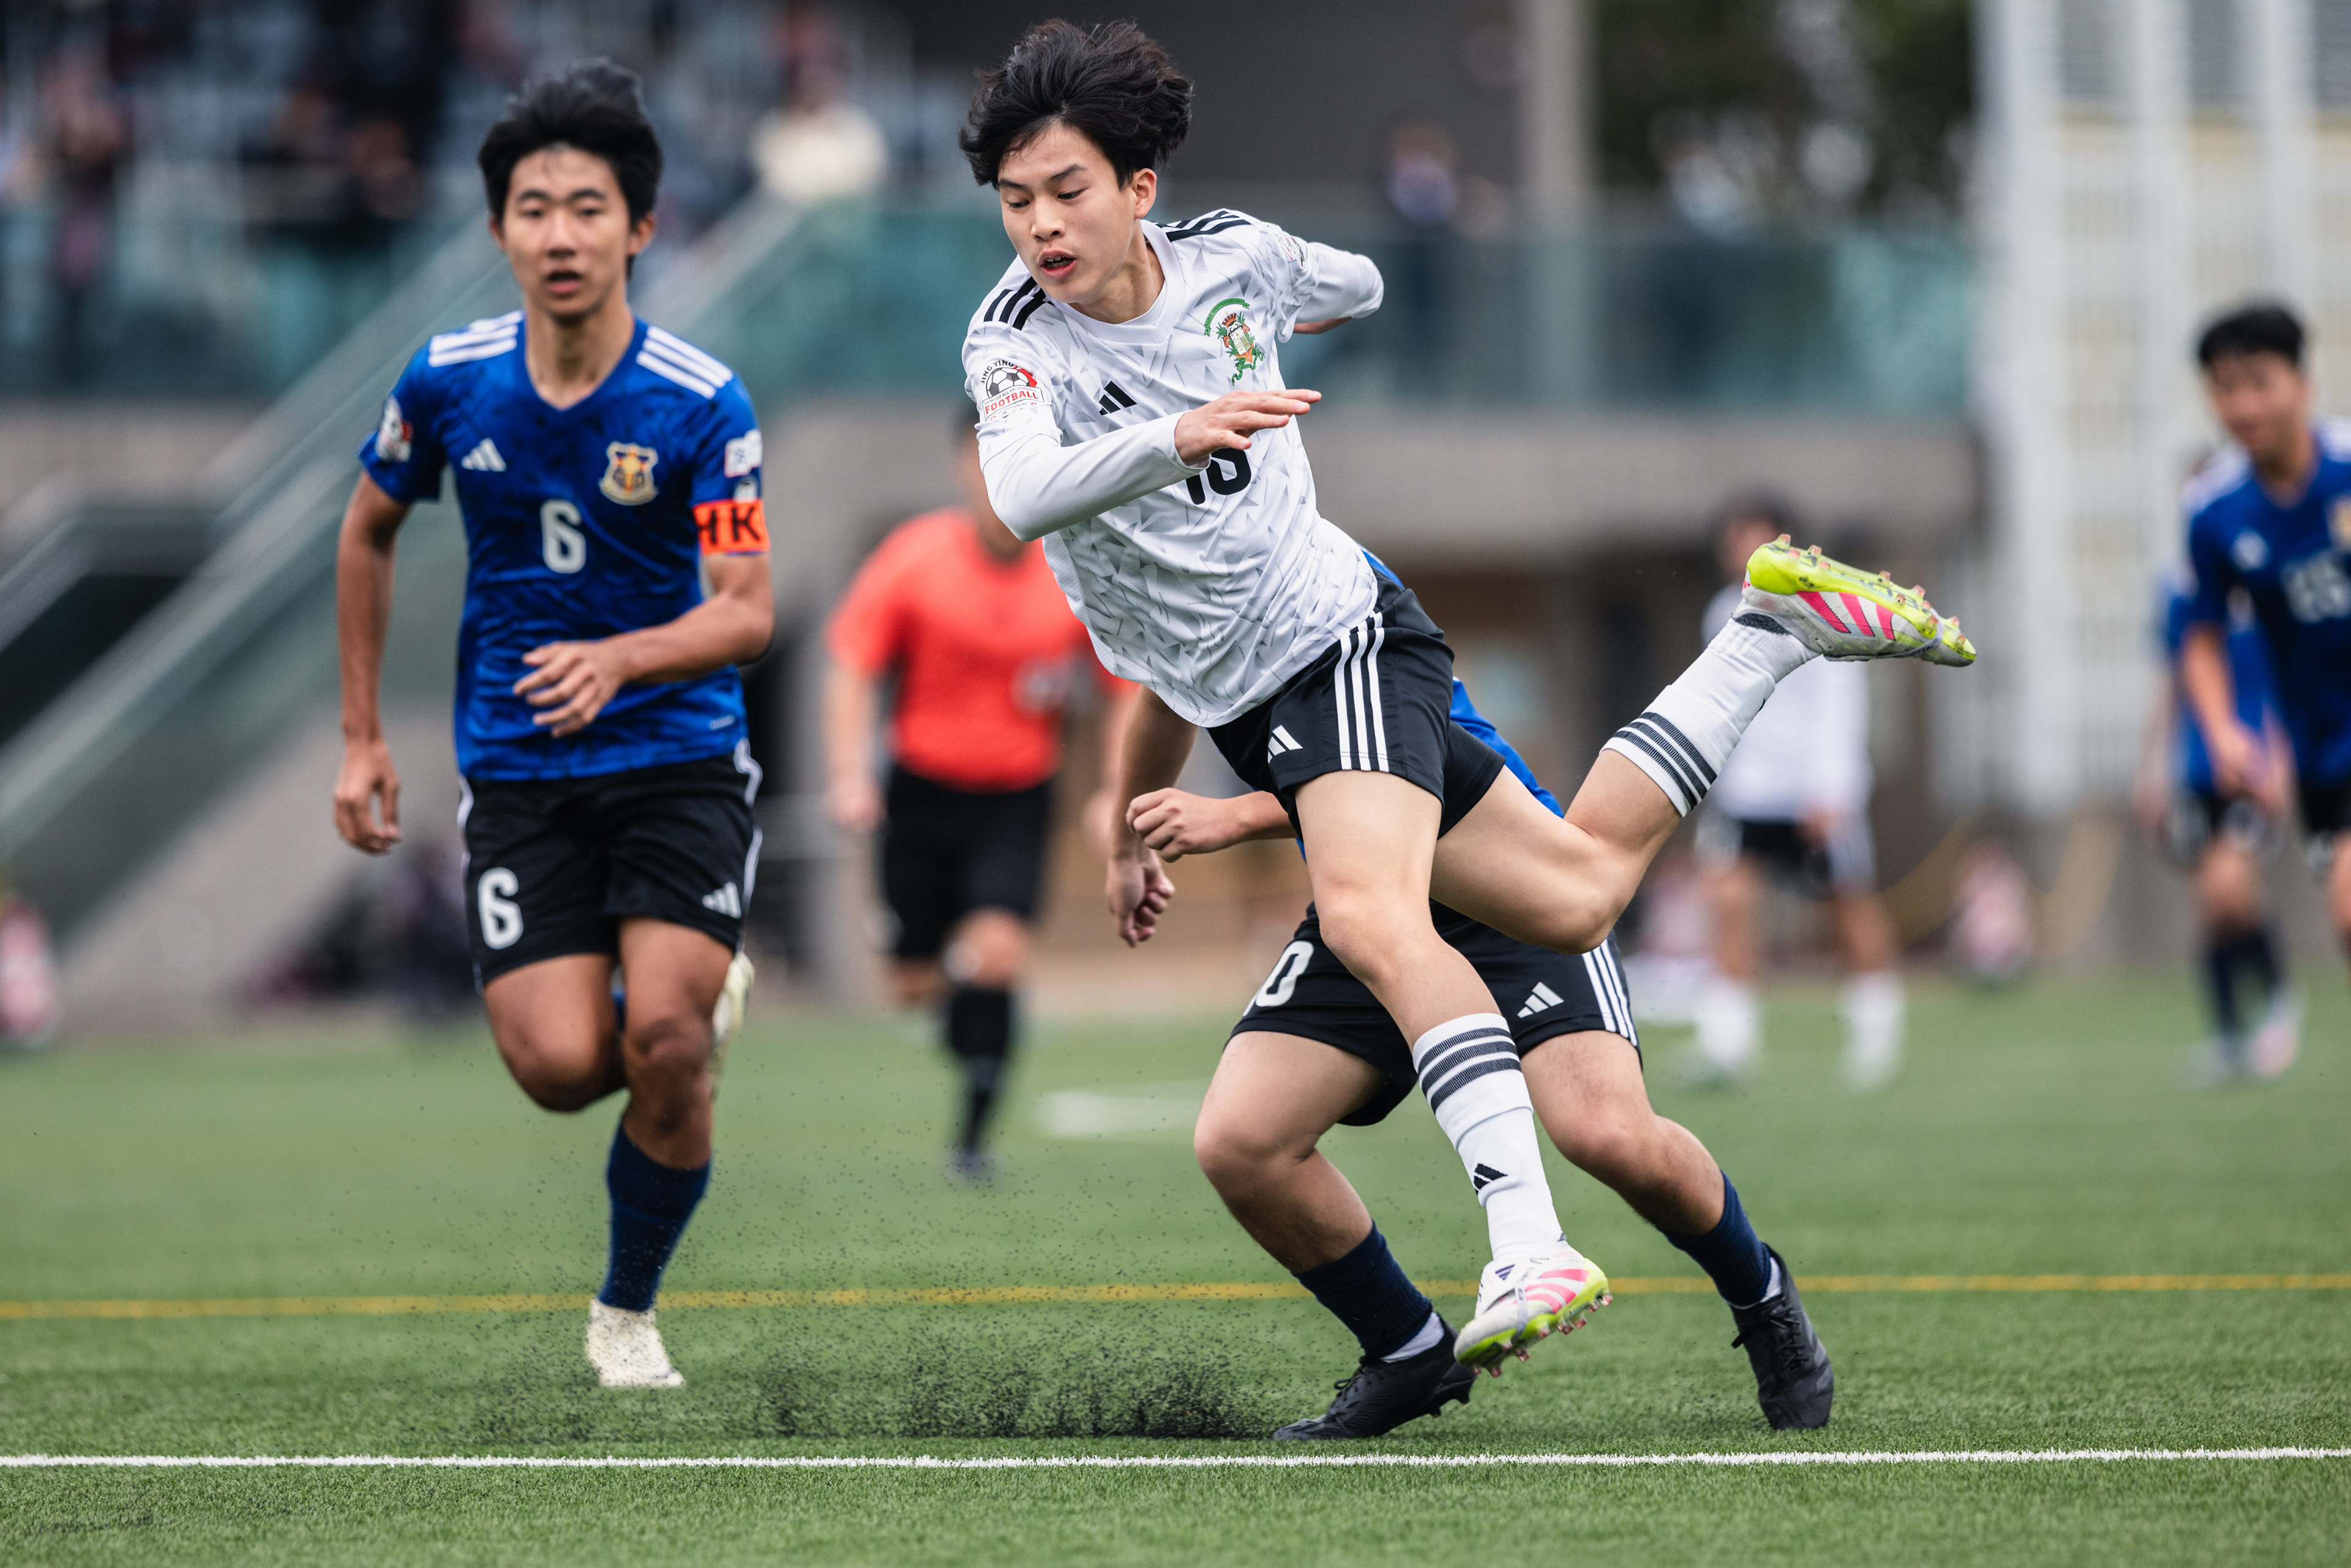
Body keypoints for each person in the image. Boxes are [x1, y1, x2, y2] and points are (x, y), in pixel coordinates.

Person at [958, 19, 1971, 1376]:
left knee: (1573, 1093)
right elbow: (1040, 519)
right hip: (1286, 727)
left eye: (1067, 188)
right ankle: (1410, 1349)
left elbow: (1360, 281)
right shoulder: (1013, 341)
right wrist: (1131, 809)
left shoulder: (1232, 257)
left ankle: (1546, 1247)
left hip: (1344, 649)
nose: (1039, 225)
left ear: (1141, 186)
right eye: (1015, 200)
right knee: (1275, 1113)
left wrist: (1271, 315)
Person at [331, 61, 770, 1390]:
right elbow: (366, 530)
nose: (561, 233)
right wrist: (361, 737)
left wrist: (625, 653)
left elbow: (747, 609)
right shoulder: (449, 381)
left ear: (640, 227)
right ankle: (672, 986)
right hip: (519, 771)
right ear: (497, 230)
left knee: (670, 1046)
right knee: (563, 1066)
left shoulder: (702, 401)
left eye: (588, 207)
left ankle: (625, 1312)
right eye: (534, 208)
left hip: (680, 755)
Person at [1130, 634, 1832, 1438]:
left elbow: (1394, 769)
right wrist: (1124, 839)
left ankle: (1760, 1292)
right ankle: (1406, 1349)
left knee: (1606, 1134)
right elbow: (1158, 684)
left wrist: (1235, 813)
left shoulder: (1325, 601)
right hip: (1369, 903)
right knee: (1241, 1140)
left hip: (1504, 888)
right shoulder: (1187, 598)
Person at [822, 408, 1136, 1181]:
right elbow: (852, 664)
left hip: (1017, 798)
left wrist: (1118, 790)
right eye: (984, 453)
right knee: (915, 985)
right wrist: (848, 774)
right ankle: (974, 1006)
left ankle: (970, 1143)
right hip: (921, 794)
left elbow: (1129, 687)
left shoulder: (1075, 568)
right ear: (964, 460)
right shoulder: (913, 558)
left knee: (997, 958)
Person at [1691, 498, 1908, 1092]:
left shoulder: (1825, 608)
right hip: (1746, 790)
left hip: (1811, 790)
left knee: (1848, 904)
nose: (1743, 552)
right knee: (1729, 901)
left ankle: (1877, 1036)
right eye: (1736, 540)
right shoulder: (1721, 613)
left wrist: (1830, 790)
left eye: (1756, 540)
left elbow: (1840, 703)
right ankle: (1728, 1043)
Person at [2179, 301, 2350, 1043]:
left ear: (2303, 384)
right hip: (2324, 753)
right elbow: (2202, 635)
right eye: (2224, 387)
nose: (2242, 404)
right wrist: (2222, 729)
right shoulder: (2215, 511)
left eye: (2258, 381)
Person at [2134, 564, 2298, 1080]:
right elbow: (2170, 680)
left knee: (2228, 887)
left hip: (2250, 766)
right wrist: (2152, 767)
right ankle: (2229, 1034)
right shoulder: (2177, 590)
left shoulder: (2262, 580)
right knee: (2213, 906)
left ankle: (2278, 996)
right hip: (2196, 767)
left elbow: (2285, 675)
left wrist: (2284, 761)